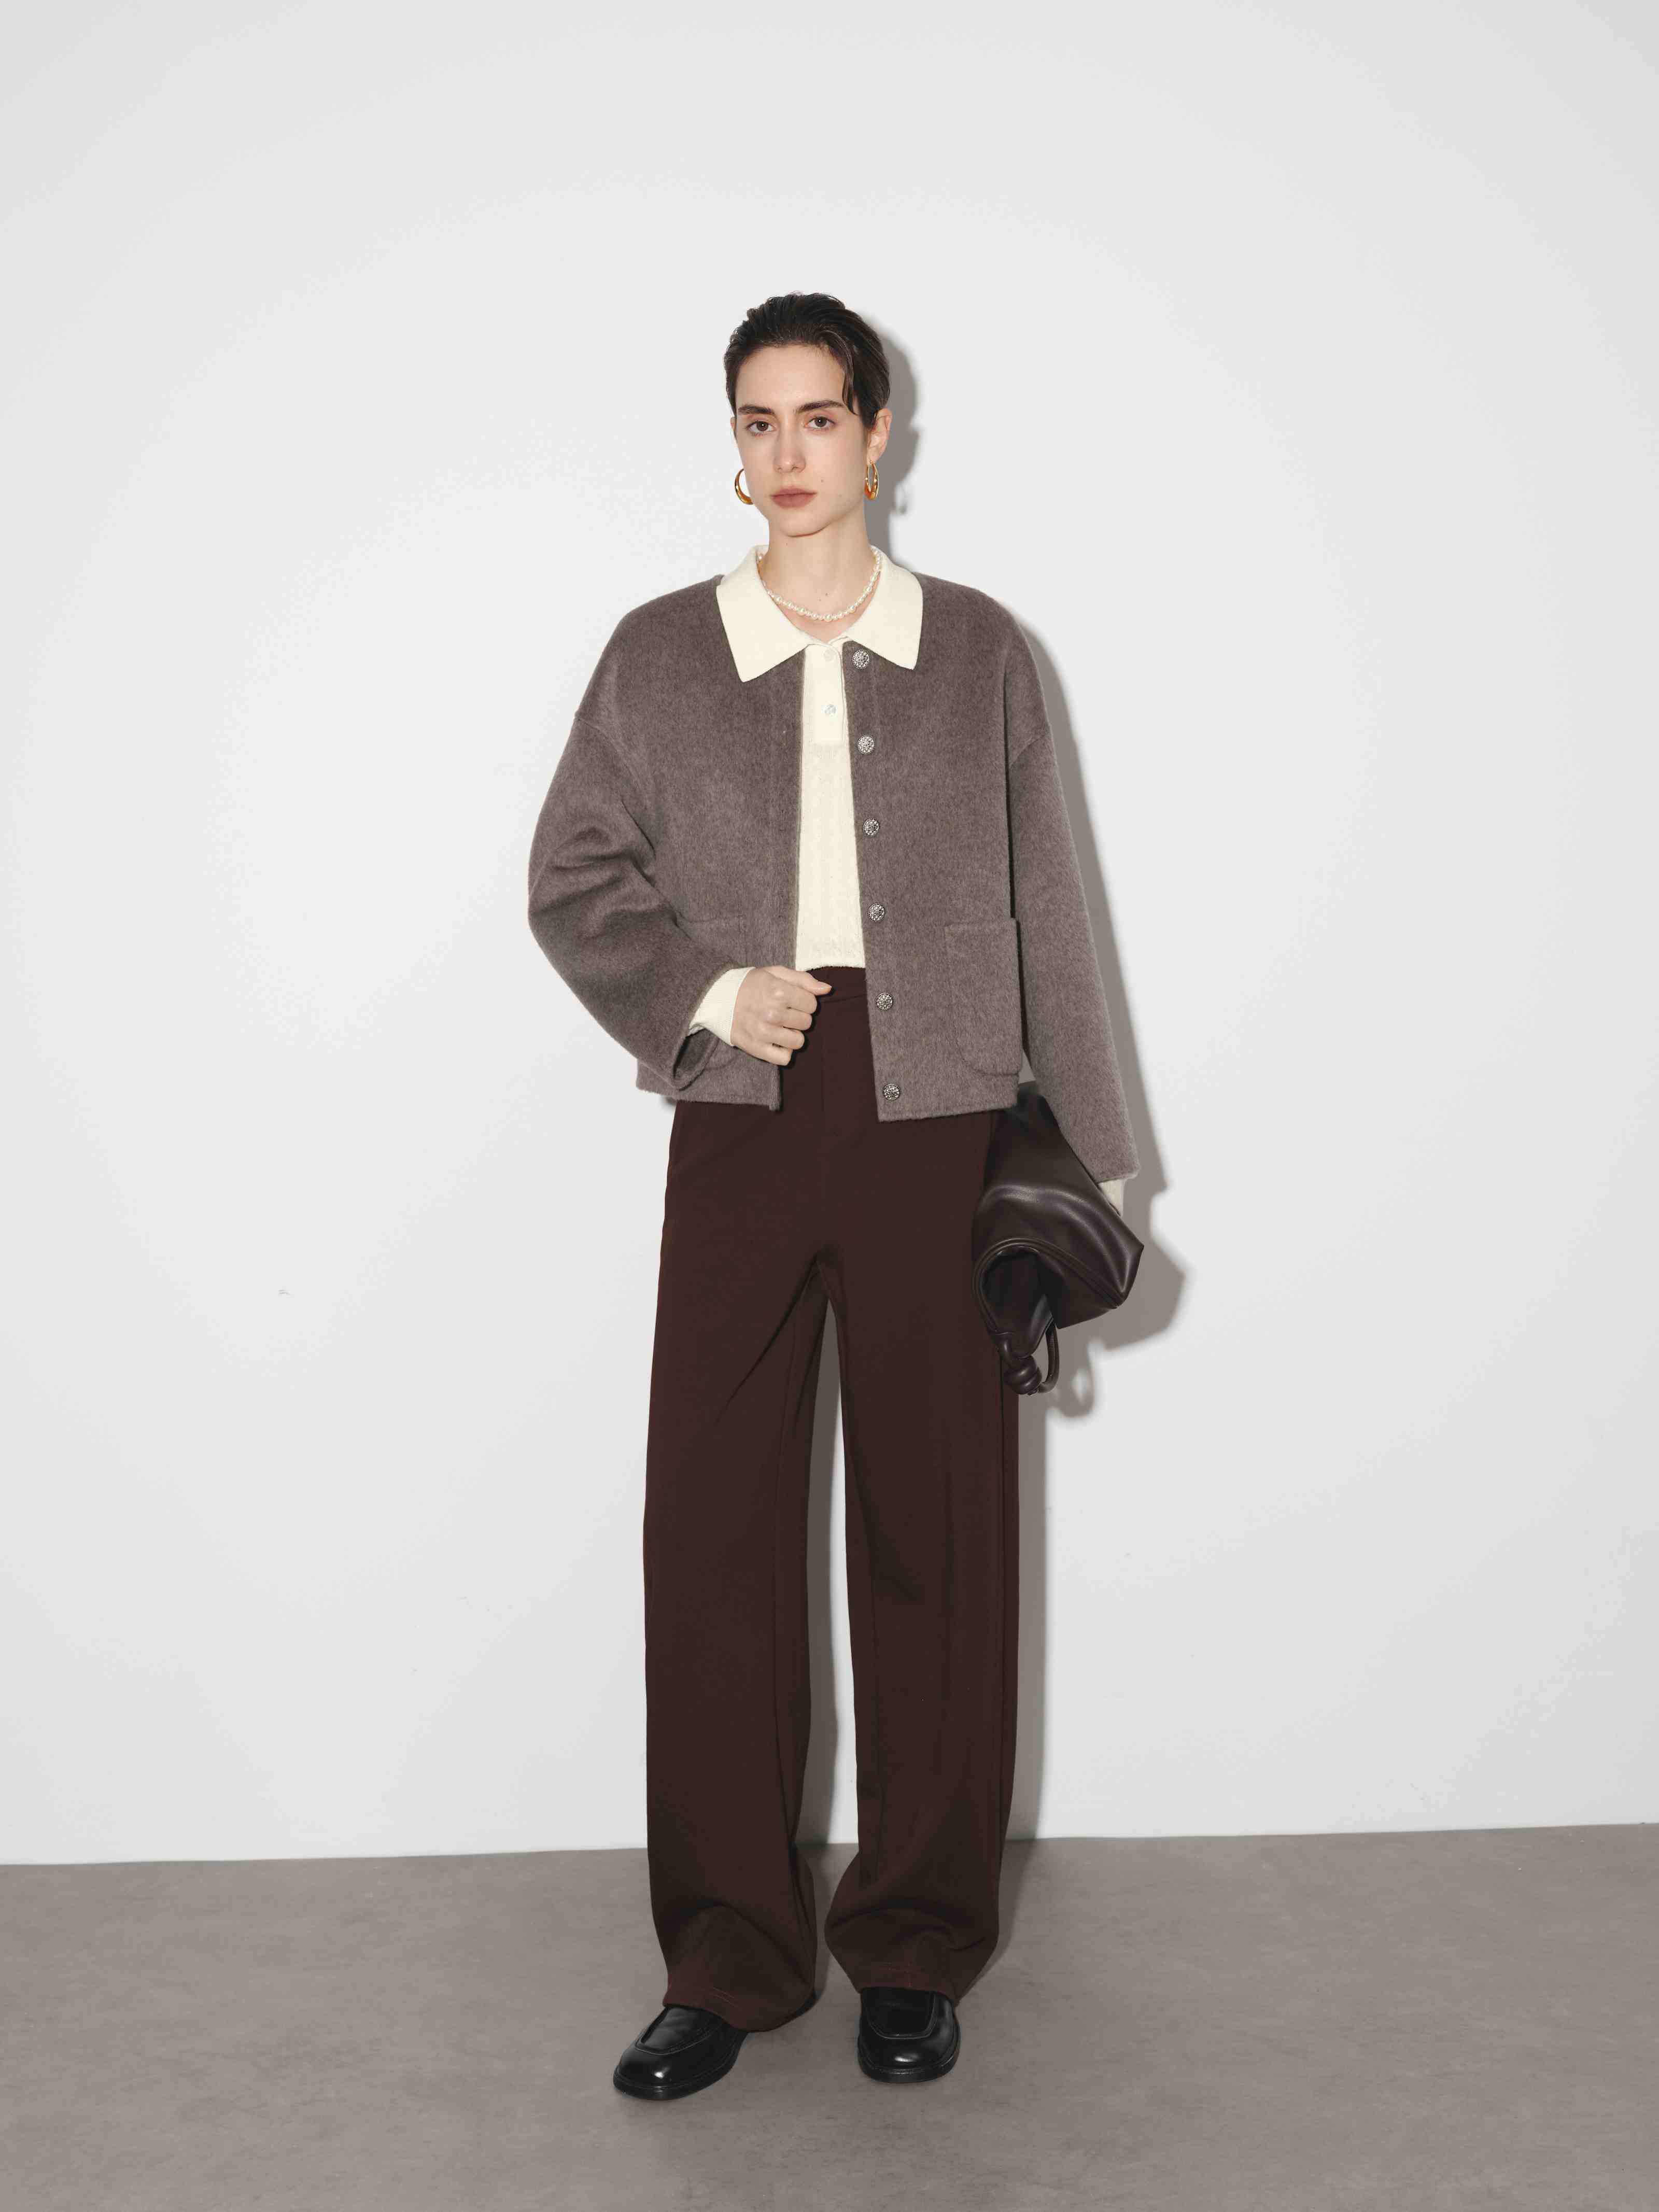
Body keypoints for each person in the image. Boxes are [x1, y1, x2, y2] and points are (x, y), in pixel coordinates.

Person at [526, 291, 1140, 2098]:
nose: (787, 453)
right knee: (709, 1529)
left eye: (817, 417)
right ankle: (726, 1956)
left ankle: (916, 1944)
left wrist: (1088, 1164)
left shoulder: (978, 652)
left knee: (936, 1530)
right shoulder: (660, 655)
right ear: (736, 446)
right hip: (740, 1110)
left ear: (879, 435)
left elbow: (1049, 904)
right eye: (757, 421)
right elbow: (570, 873)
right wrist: (711, 990)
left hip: (940, 1113)